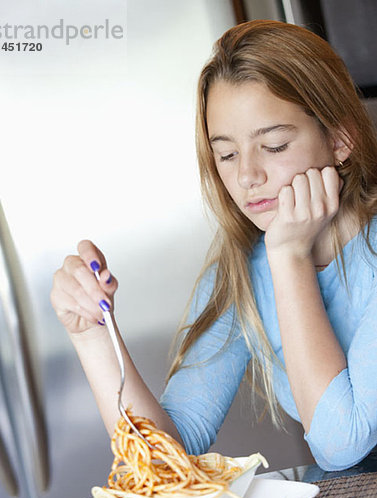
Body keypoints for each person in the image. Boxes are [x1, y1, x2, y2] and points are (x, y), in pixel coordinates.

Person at [51, 20, 377, 472]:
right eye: (226, 154)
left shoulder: (297, 257)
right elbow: (165, 464)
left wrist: (289, 257)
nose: (247, 176)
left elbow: (343, 442)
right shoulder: (242, 274)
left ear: (340, 140)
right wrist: (91, 335)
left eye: (275, 145)